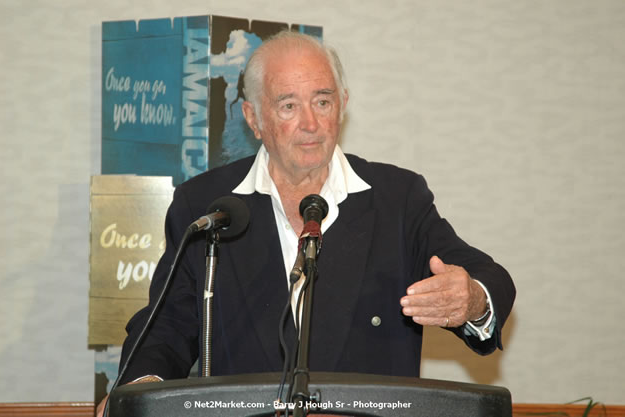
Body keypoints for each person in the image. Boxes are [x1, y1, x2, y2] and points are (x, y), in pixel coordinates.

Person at [97, 30, 515, 416]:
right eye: (289, 105)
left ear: (343, 105)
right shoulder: (206, 204)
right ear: (253, 117)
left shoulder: (397, 199)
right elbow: (166, 324)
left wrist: (473, 299)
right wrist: (141, 392)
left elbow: (486, 278)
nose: (311, 124)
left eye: (322, 101)